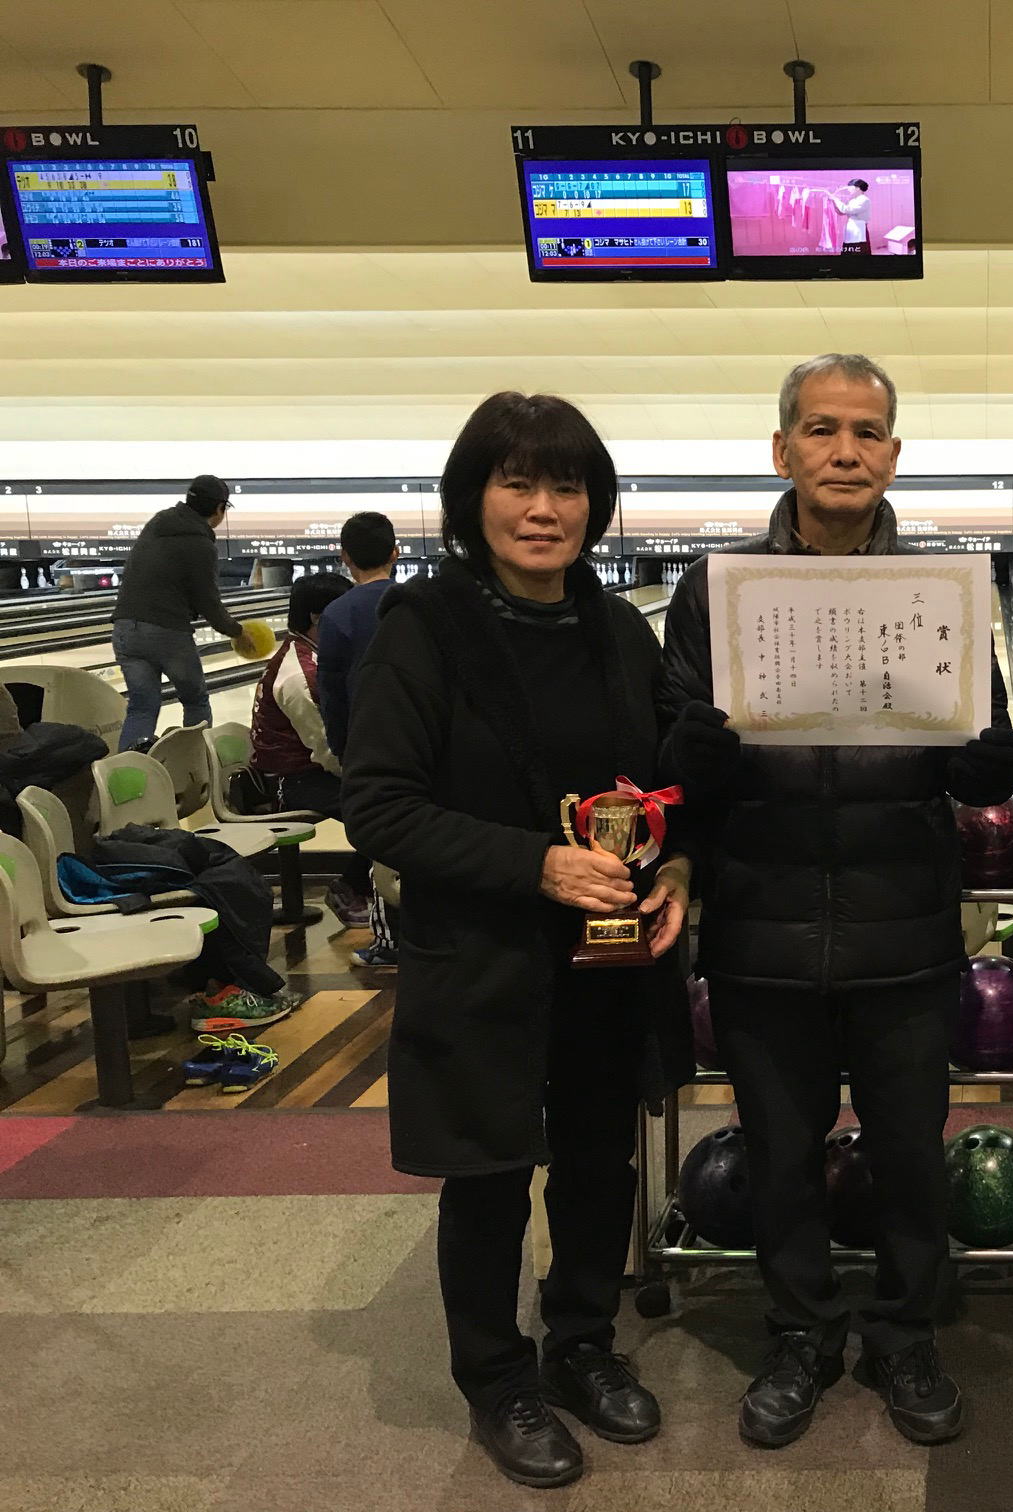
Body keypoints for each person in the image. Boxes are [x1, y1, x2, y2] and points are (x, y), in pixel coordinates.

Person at [656, 353, 1013, 1450]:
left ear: (894, 456)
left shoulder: (939, 593)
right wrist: (691, 754)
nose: (845, 451)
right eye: (822, 430)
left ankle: (906, 1333)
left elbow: (978, 752)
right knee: (781, 1157)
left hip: (903, 927)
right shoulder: (714, 590)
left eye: (867, 433)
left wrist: (987, 759)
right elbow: (674, 762)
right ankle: (801, 1334)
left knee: (911, 1154)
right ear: (783, 450)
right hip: (761, 930)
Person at [343, 392, 692, 1492]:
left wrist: (680, 867)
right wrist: (536, 863)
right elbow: (380, 806)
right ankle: (499, 1381)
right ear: (473, 499)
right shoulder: (423, 630)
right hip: (484, 952)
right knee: (489, 1177)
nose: (544, 509)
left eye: (567, 486)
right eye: (518, 483)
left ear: (595, 504)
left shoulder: (615, 628)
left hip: (605, 955)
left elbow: (670, 778)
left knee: (597, 1163)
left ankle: (581, 1343)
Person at [247, 570, 377, 925]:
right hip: (291, 781)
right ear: (319, 618)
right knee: (384, 808)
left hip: (309, 770)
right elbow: (326, 750)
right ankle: (350, 888)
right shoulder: (299, 675)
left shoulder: (314, 657)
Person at [317, 510, 403, 943]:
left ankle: (385, 932)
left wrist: (341, 748)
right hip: (422, 738)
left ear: (344, 557)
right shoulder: (417, 602)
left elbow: (331, 693)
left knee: (382, 830)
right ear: (396, 552)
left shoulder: (336, 614)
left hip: (366, 742)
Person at [111, 474, 243, 750]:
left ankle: (125, 768)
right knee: (195, 701)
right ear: (220, 508)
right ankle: (194, 763)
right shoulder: (201, 545)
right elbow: (208, 602)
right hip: (167, 632)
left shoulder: (158, 523)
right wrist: (237, 631)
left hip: (124, 628)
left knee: (142, 706)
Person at [833, 178, 871, 255]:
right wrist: (833, 202)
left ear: (858, 188)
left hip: (859, 230)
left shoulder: (864, 200)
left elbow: (847, 210)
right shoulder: (852, 200)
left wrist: (836, 199)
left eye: (850, 187)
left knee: (859, 252)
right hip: (851, 229)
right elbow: (841, 212)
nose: (848, 189)